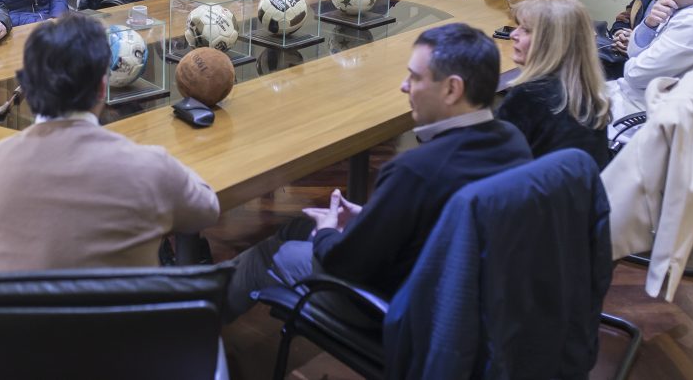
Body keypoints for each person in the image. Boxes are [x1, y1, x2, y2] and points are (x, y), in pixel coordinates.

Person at [224, 23, 532, 319]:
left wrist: (330, 230)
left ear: (452, 89)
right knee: (295, 227)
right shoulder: (514, 141)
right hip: (458, 290)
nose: (404, 86)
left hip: (395, 302)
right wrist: (366, 217)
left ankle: (191, 327)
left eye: (414, 77)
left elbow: (346, 263)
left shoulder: (415, 171)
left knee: (264, 257)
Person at [0, 12, 220, 272]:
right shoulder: (151, 167)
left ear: (28, 88)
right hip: (129, 315)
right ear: (103, 88)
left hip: (18, 316)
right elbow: (207, 211)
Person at [496, 0, 611, 169]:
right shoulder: (589, 94)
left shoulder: (530, 96)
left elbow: (492, 161)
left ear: (552, 43)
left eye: (526, 30)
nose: (513, 34)